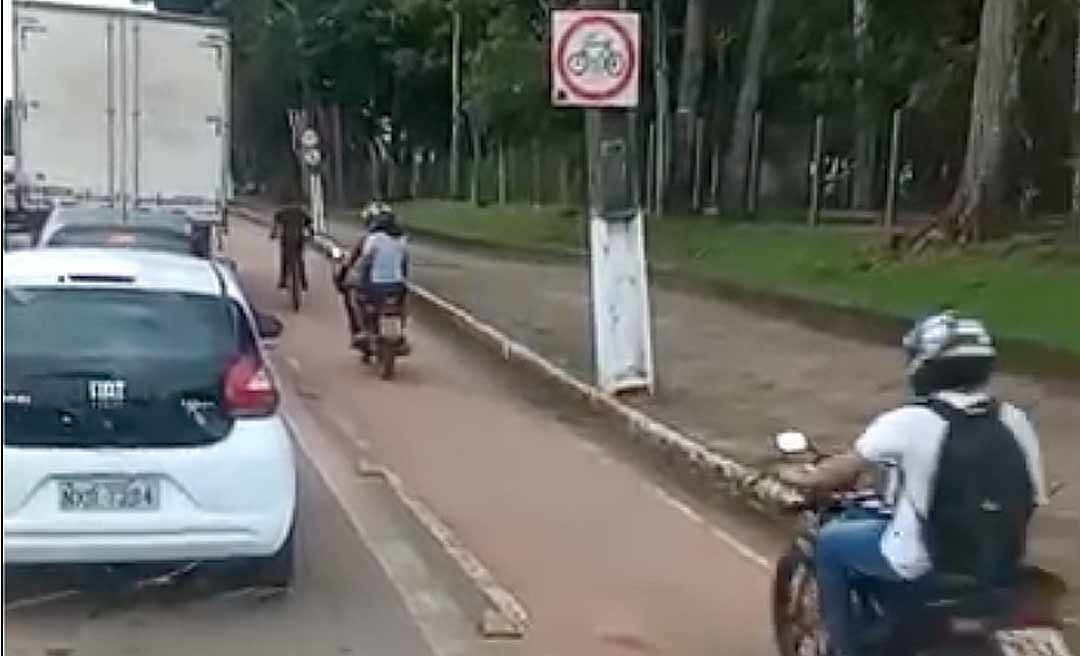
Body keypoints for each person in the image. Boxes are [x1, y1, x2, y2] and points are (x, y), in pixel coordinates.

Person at [778, 311, 1047, 656]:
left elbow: (838, 470)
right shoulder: (1015, 420)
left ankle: (843, 647)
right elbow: (1033, 497)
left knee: (831, 543)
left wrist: (801, 476)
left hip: (920, 560)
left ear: (925, 365)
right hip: (998, 565)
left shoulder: (910, 420)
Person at [336, 206, 408, 347]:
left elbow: (364, 261)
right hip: (397, 286)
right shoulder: (402, 239)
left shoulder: (371, 239)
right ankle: (401, 329)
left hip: (374, 285)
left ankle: (361, 331)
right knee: (403, 302)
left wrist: (347, 276)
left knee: (355, 297)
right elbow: (404, 264)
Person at [270, 192, 313, 292]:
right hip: (299, 239)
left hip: (287, 240)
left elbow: (275, 226)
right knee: (300, 259)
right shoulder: (301, 212)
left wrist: (273, 234)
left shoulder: (281, 213)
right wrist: (311, 234)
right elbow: (309, 224)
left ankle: (283, 280)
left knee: (284, 259)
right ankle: (303, 282)